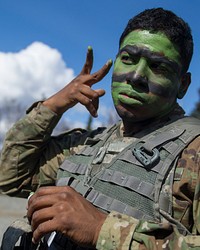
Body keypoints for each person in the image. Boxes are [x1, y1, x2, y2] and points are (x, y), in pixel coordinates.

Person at [0, 7, 200, 250]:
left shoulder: (194, 152)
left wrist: (103, 230)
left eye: (158, 67)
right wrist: (54, 105)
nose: (136, 76)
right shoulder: (88, 145)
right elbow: (10, 178)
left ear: (183, 84)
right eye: (128, 59)